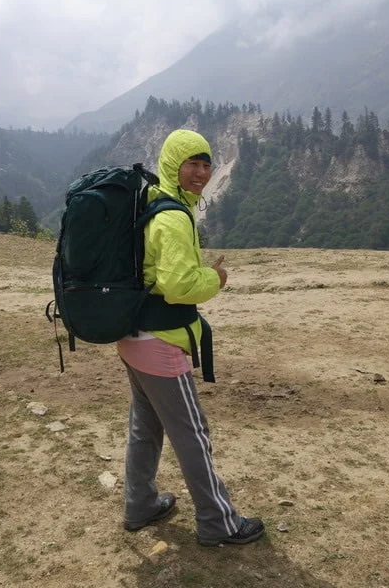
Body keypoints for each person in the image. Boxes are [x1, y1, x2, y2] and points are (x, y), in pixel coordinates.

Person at [116, 129, 265, 546]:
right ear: (172, 164)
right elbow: (179, 285)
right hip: (159, 342)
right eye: (192, 163)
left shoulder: (153, 201)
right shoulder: (173, 216)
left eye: (205, 163)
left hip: (133, 336)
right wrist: (213, 278)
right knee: (192, 432)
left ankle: (140, 505)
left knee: (146, 427)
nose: (201, 172)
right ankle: (220, 522)